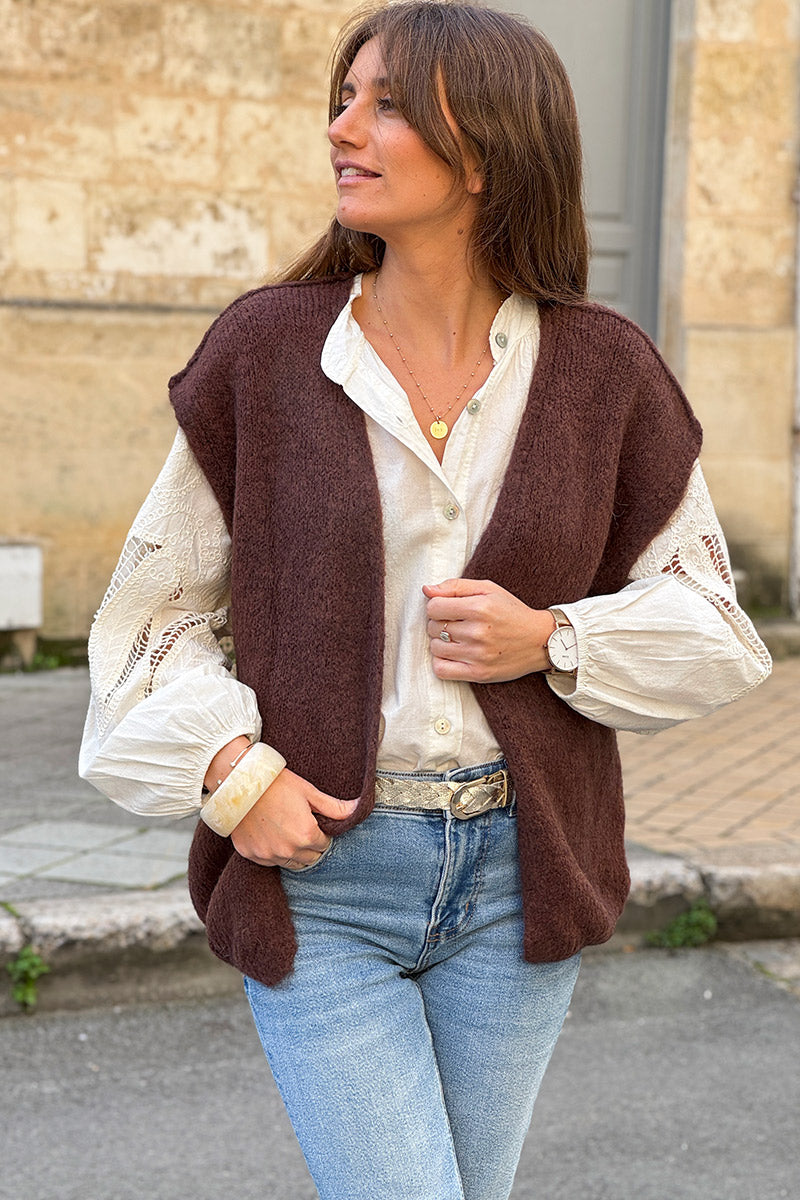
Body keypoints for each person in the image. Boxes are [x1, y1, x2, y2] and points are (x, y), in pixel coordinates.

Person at [79, 4, 772, 1198]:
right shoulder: (267, 351)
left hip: (520, 879)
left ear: (489, 148)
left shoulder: (603, 369)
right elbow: (154, 616)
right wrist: (231, 778)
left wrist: (551, 637)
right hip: (324, 877)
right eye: (342, 101)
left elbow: (711, 622)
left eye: (385, 103)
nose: (343, 129)